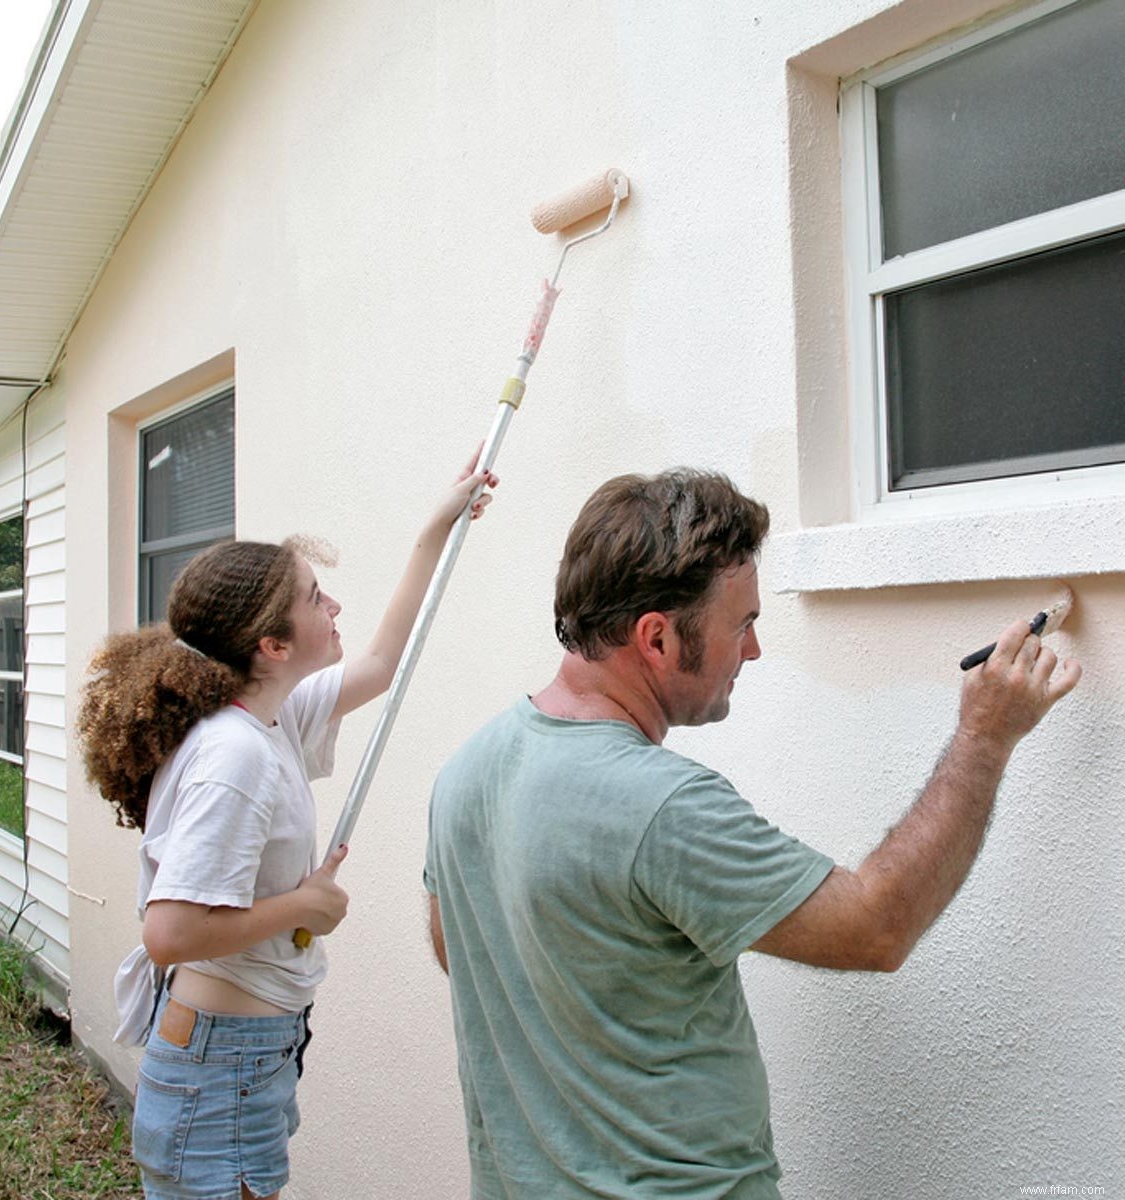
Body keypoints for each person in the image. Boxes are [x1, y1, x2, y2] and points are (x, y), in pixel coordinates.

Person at [424, 468, 1081, 1200]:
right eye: (741, 625)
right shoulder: (663, 807)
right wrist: (984, 737)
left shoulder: (466, 772)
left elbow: (461, 947)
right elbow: (877, 928)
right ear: (657, 638)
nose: (755, 650)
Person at [79, 455, 496, 1200]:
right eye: (314, 598)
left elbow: (380, 662)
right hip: (221, 1067)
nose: (333, 605)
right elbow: (169, 933)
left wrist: (437, 527)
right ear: (271, 646)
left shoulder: (267, 717)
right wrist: (305, 907)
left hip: (237, 1059)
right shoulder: (235, 754)